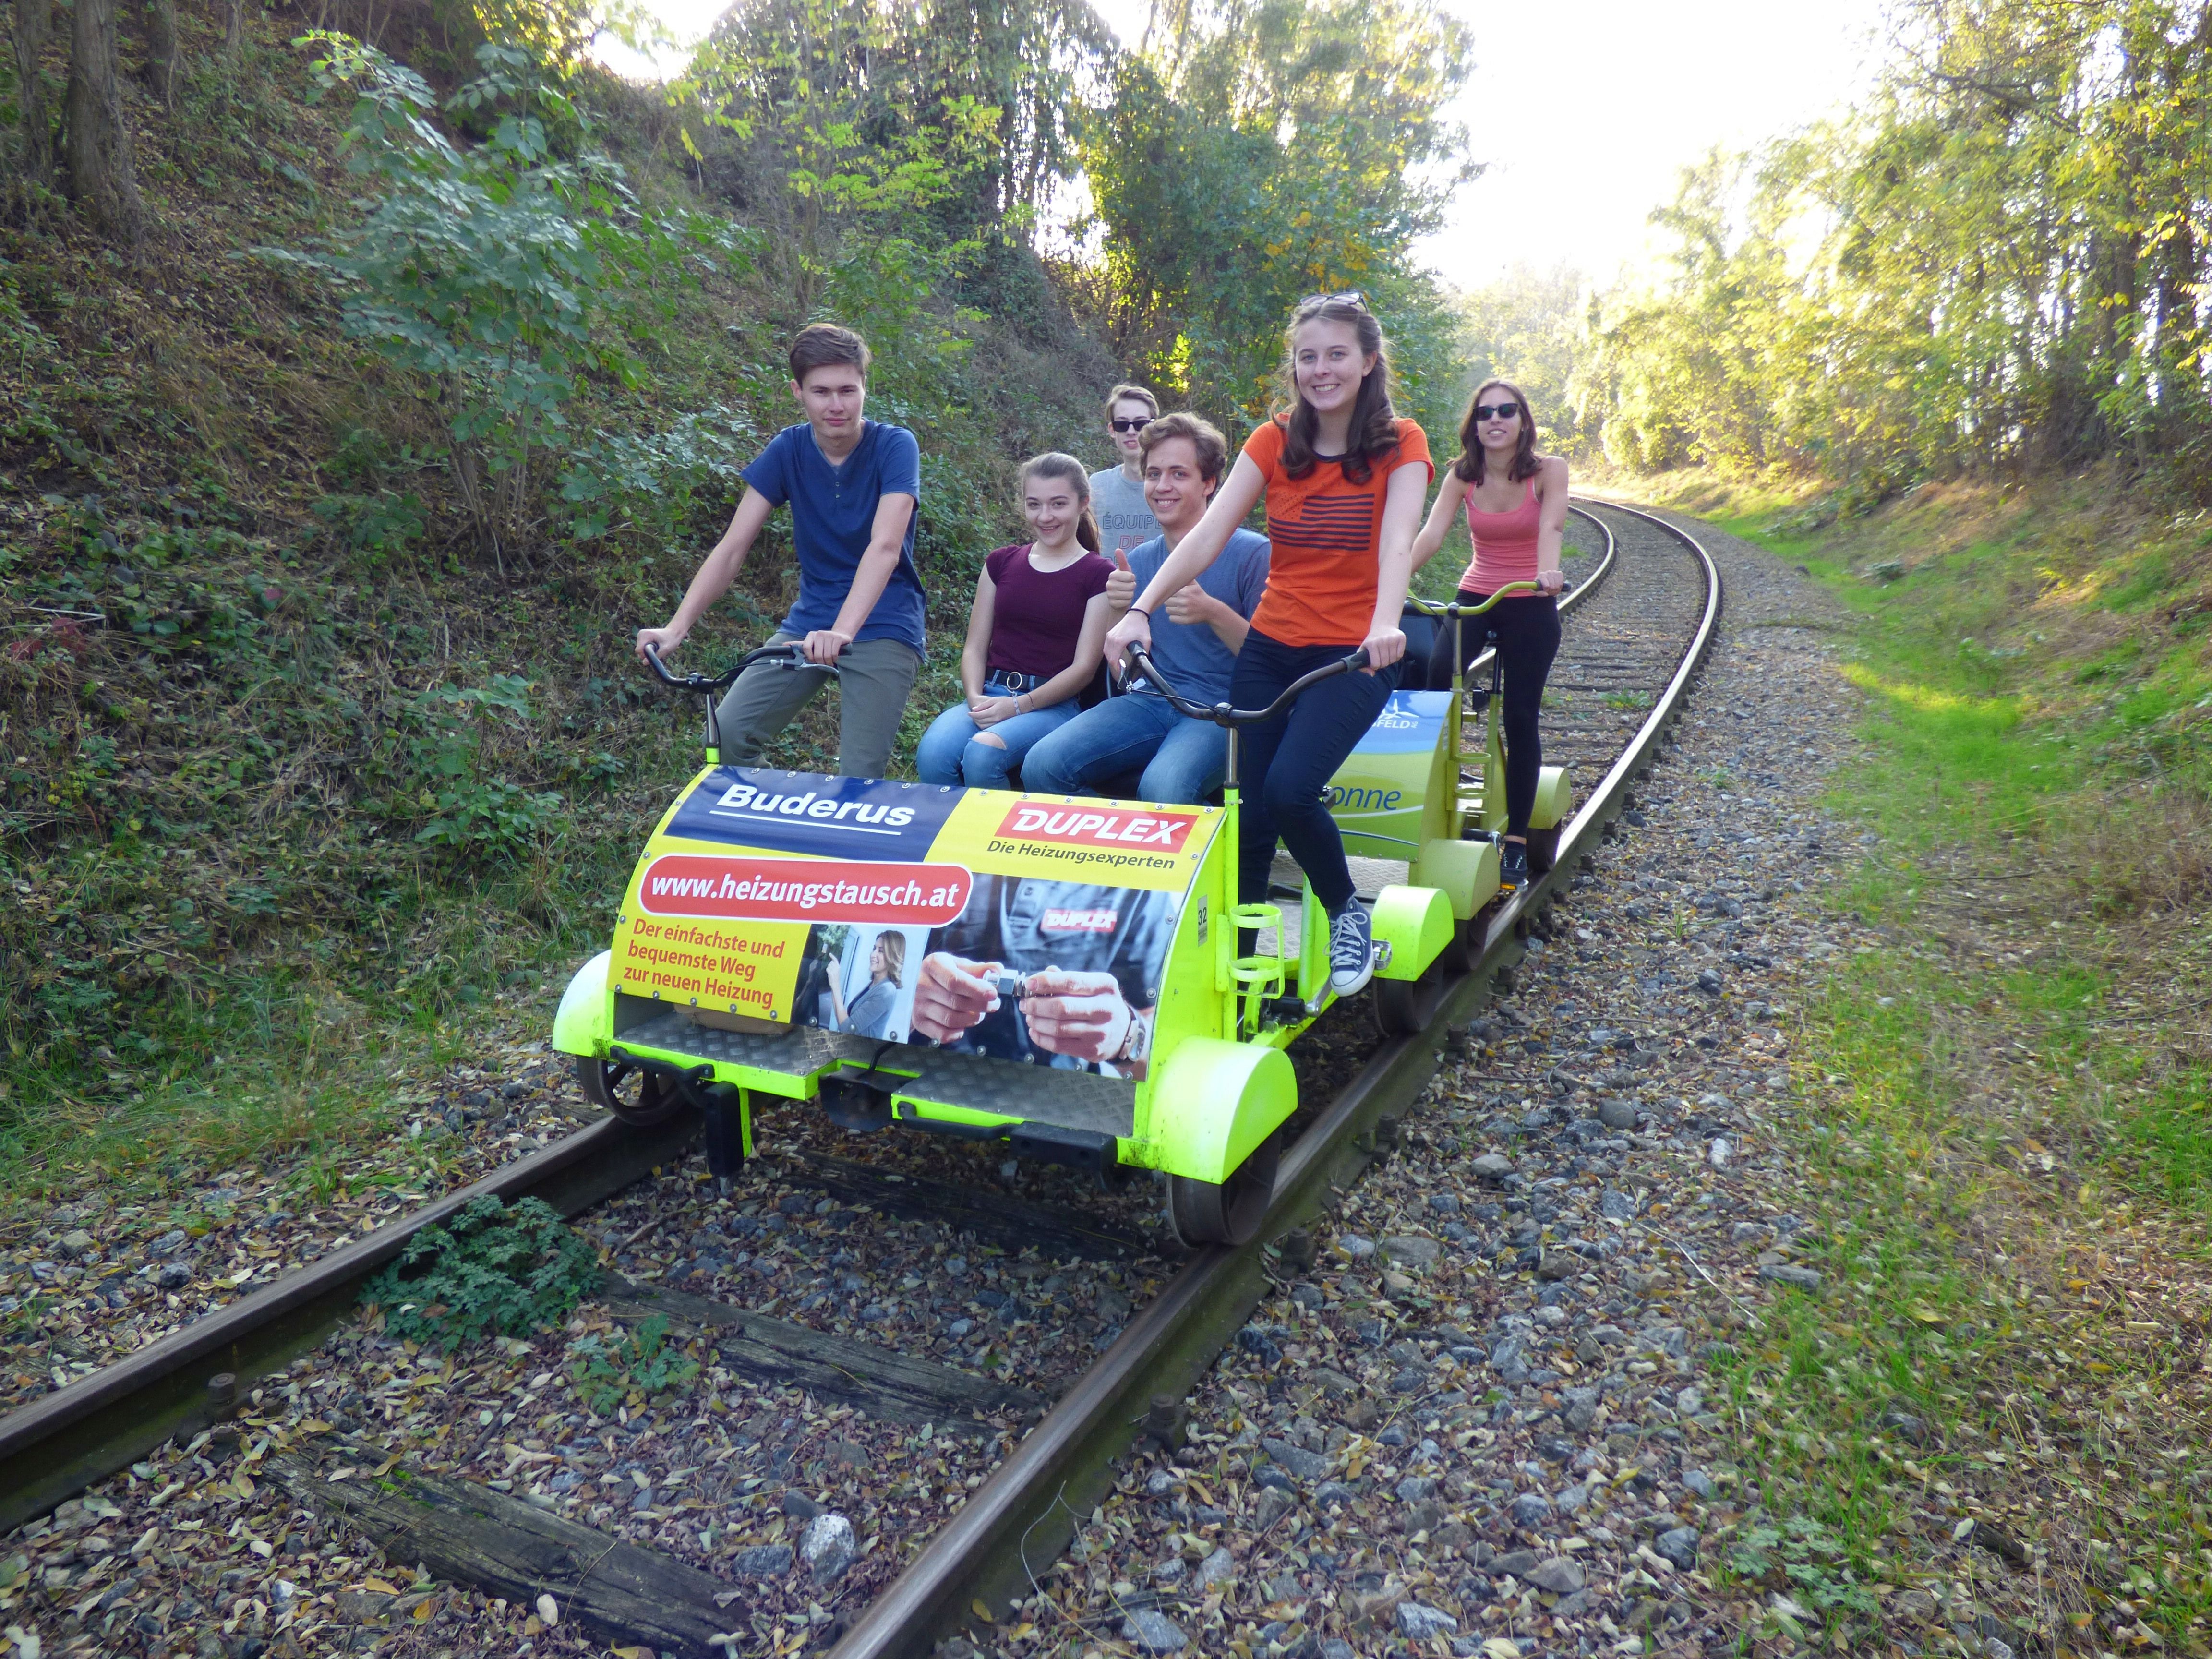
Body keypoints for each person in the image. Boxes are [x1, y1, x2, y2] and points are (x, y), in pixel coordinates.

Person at [1102, 294, 1431, 998]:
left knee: (1290, 790)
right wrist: (1139, 611)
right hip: (1273, 648)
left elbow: (1399, 541)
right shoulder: (1273, 441)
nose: (1321, 370)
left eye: (1337, 354)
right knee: (1248, 812)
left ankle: (1347, 913)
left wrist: (1385, 622)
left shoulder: (1401, 443)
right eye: (1308, 357)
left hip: (1355, 653)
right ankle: (1237, 973)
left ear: (1368, 362)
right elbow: (1207, 534)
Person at [634, 324, 924, 780]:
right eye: (821, 392)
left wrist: (842, 632)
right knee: (729, 738)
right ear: (798, 392)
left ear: (865, 388)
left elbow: (885, 547)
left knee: (859, 776)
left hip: (883, 620)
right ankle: (781, 817)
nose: (836, 405)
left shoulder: (894, 446)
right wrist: (677, 627)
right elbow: (733, 548)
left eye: (848, 390)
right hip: (811, 618)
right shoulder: (788, 449)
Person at [1022, 413, 1268, 803]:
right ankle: (1113, 839)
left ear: (1209, 483)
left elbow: (1270, 664)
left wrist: (1213, 612)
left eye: (1178, 474)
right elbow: (1123, 672)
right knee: (1042, 765)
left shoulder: (1253, 554)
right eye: (1154, 474)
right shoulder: (1137, 561)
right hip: (1150, 701)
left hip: (1220, 711)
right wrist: (1119, 609)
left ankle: (1209, 838)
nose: (1162, 486)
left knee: (1163, 787)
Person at [1410, 377, 1568, 893]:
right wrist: (1390, 582)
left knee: (1520, 717)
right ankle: (1436, 789)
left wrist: (1547, 574)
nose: (1495, 420)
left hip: (1530, 595)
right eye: (1485, 413)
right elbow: (1432, 534)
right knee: (1438, 674)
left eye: (1506, 411)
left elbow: (1551, 528)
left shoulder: (1549, 471)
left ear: (1523, 421)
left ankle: (1516, 839)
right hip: (1478, 590)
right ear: (1474, 426)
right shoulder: (1463, 475)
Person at [915, 454, 1116, 787]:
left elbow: (1084, 669)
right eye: (1034, 504)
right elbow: (974, 648)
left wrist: (1019, 706)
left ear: (1083, 504)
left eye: (1058, 504)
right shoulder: (1001, 563)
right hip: (989, 693)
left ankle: (1005, 825)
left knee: (983, 756)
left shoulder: (1098, 574)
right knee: (933, 755)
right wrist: (975, 698)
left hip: (1052, 706)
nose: (1045, 516)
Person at [907, 874, 1179, 1077]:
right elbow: (885, 983)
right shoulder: (931, 854)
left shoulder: (1142, 881)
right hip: (918, 1079)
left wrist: (1127, 1038)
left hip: (1065, 1100)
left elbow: (1170, 1061)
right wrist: (903, 998)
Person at [1088, 384, 1165, 556]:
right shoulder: (1097, 485)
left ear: (1154, 427)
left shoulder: (1171, 487)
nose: (1131, 431)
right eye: (1122, 424)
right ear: (1112, 430)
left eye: (1140, 424)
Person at [829, 932, 905, 1039]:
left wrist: (836, 985)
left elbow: (848, 1029)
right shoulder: (874, 984)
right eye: (874, 949)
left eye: (881, 951)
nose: (873, 955)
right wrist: (833, 985)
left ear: (892, 957)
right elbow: (843, 1023)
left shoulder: (886, 990)